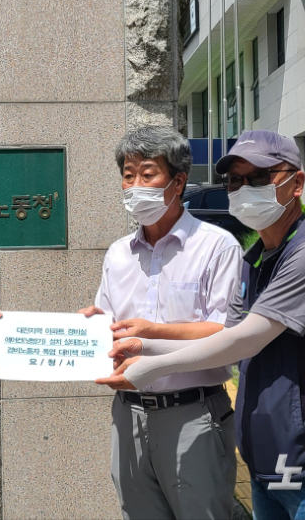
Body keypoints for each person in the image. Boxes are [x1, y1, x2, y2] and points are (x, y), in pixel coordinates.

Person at [99, 130, 305, 520]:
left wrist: (150, 360)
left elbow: (245, 339)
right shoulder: (255, 258)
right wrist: (141, 347)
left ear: (296, 183)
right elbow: (227, 334)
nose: (244, 189)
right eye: (235, 181)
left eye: (259, 178)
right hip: (267, 452)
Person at [80, 126, 243, 519]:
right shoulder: (118, 254)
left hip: (193, 415)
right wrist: (87, 330)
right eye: (128, 174)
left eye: (148, 173)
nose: (135, 185)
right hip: (128, 413)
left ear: (178, 181)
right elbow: (110, 323)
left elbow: (227, 333)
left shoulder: (217, 247)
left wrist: (148, 336)